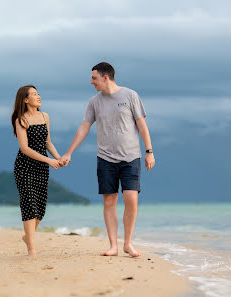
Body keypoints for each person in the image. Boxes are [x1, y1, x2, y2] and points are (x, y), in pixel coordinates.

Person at [61, 62, 155, 257]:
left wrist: (149, 151)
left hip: (131, 157)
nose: (91, 82)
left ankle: (127, 243)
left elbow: (142, 125)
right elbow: (84, 127)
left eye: (94, 78)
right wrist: (68, 152)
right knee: (109, 201)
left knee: (131, 199)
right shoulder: (94, 102)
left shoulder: (130, 95)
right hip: (105, 158)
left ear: (105, 77)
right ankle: (113, 245)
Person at [11, 85, 64, 257]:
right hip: (25, 166)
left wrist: (58, 157)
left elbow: (48, 142)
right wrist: (49, 160)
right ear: (26, 100)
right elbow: (25, 148)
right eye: (34, 94)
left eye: (38, 93)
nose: (38, 96)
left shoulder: (44, 116)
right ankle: (31, 248)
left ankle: (28, 237)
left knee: (40, 209)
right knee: (29, 205)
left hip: (41, 167)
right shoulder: (21, 119)